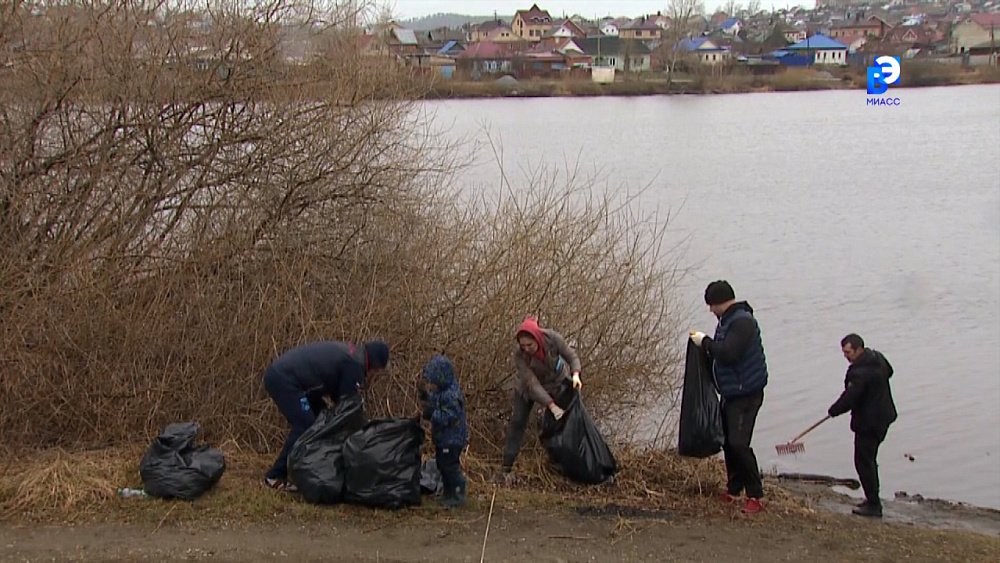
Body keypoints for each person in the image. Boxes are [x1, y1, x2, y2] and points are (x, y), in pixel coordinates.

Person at [262, 340, 390, 491]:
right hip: (284, 380)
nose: (374, 376)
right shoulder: (354, 365)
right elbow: (348, 407)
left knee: (321, 420)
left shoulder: (353, 356)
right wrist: (364, 433)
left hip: (296, 381)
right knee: (305, 425)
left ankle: (309, 468)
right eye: (377, 372)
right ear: (375, 364)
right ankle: (274, 476)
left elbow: (340, 399)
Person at [690, 280, 768, 515]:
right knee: (728, 442)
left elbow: (728, 354)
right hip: (731, 392)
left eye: (711, 305)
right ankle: (734, 489)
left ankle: (755, 495)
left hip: (746, 394)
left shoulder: (742, 322)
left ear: (719, 302)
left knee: (739, 444)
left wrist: (705, 342)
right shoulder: (727, 321)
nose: (710, 310)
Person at [500, 316, 583, 482]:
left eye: (529, 345)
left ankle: (562, 465)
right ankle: (506, 467)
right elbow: (532, 384)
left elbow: (571, 356)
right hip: (528, 388)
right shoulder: (520, 355)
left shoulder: (553, 339)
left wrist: (575, 374)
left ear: (537, 339)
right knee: (518, 422)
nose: (526, 349)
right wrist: (551, 405)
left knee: (563, 423)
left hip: (555, 383)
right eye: (523, 346)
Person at [828, 333, 897, 518]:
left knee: (863, 462)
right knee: (869, 459)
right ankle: (871, 498)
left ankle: (874, 505)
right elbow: (890, 372)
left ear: (859, 349)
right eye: (844, 352)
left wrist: (833, 411)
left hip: (869, 422)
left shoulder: (859, 373)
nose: (846, 356)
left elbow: (850, 397)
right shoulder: (878, 358)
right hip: (884, 416)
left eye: (848, 352)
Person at [420, 355, 469, 508]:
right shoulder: (441, 392)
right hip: (443, 439)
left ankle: (458, 491)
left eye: (433, 381)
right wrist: (425, 397)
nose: (432, 385)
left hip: (452, 439)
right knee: (442, 465)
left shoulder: (451, 395)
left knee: (450, 467)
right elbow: (434, 402)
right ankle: (448, 492)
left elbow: (449, 416)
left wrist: (432, 414)